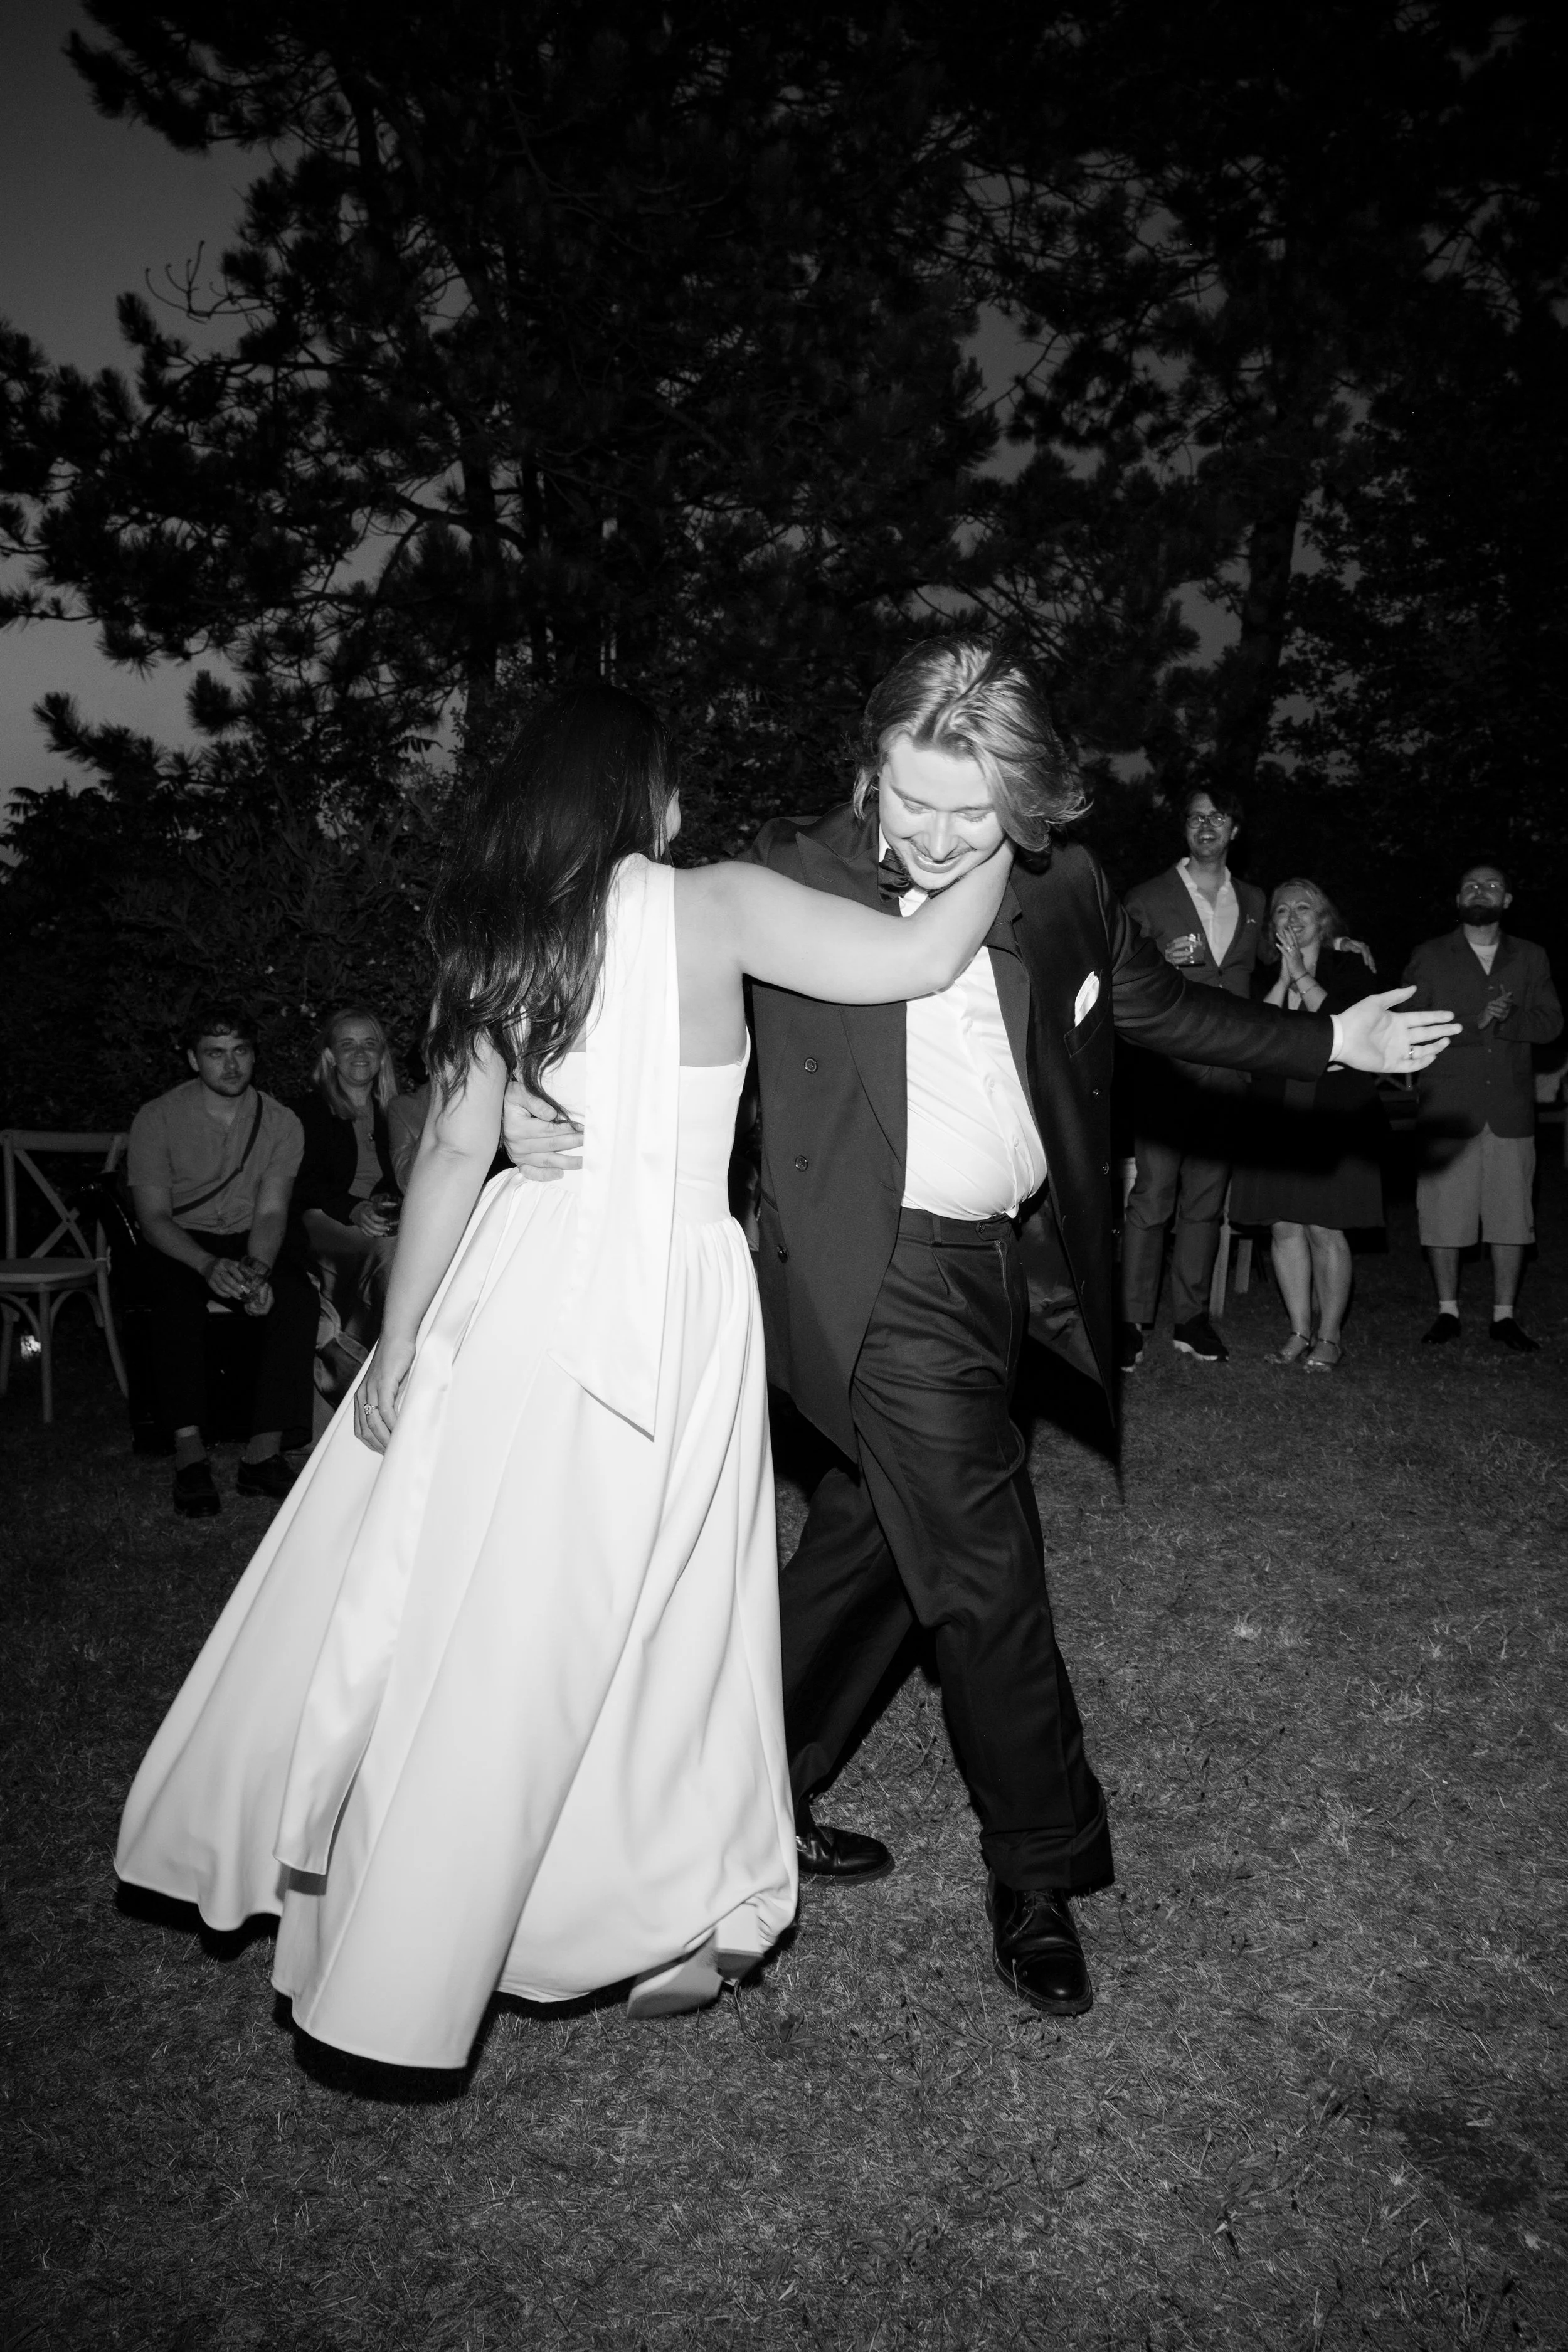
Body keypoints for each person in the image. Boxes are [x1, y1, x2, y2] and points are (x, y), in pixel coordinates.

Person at [505, 635, 1458, 2020]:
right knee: (985, 1570)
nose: (947, 838)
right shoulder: (779, 877)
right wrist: (522, 1091)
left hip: (998, 1269)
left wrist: (1329, 1049)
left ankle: (736, 1795)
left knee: (873, 1553)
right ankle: (1038, 1869)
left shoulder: (1060, 883)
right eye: (916, 801)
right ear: (866, 766)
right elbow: (614, 964)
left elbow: (1158, 1011)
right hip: (870, 1275)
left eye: (979, 808)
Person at [114, 684, 1015, 2067]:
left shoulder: (506, 934)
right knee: (649, 1613)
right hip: (665, 1294)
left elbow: (450, 1160)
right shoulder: (715, 903)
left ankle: (455, 1913)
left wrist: (401, 1345)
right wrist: (1000, 814)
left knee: (485, 1609)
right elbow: (917, 959)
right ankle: (595, 1902)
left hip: (518, 1282)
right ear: (640, 795)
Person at [126, 1008, 316, 1515]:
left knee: (297, 1299)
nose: (231, 1066)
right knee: (174, 1302)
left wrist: (257, 1270)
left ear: (254, 1055)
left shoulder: (280, 1122)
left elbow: (273, 1209)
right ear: (193, 1059)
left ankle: (263, 1454)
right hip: (182, 1240)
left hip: (248, 1236)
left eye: (241, 1051)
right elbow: (154, 1219)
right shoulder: (157, 1118)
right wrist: (208, 1267)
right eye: (215, 1053)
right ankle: (190, 1454)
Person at [1116, 785, 1264, 1367]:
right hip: (1165, 1073)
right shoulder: (1149, 897)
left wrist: (1340, 943)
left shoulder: (1253, 899)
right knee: (1152, 1197)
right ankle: (1129, 1321)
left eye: (1219, 816)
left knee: (1206, 1203)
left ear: (1234, 831)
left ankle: (1192, 1319)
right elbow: (1117, 971)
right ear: (1185, 828)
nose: (1207, 826)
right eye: (1196, 816)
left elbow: (1280, 958)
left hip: (1229, 1074)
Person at [1227, 880, 1387, 1370]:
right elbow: (1258, 1041)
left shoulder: (1351, 967)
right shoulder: (1258, 979)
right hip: (1276, 1117)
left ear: (1324, 921)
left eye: (1304, 908)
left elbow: (1345, 1028)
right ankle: (1298, 1330)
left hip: (1333, 1117)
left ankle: (1330, 1336)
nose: (1292, 917)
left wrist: (1303, 975)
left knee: (1325, 1228)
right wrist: (1283, 978)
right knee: (1284, 1227)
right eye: (1282, 910)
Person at [1402, 865, 1562, 1351]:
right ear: (1457, 898)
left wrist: (1511, 1017)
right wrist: (1476, 1023)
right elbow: (1409, 1023)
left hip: (1510, 1108)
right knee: (1443, 1215)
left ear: (1508, 900)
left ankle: (1504, 1315)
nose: (1481, 891)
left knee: (1512, 1217)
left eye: (1492, 885)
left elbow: (1552, 1023)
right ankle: (1447, 1312)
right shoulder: (1430, 956)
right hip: (1449, 1105)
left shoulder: (1531, 957)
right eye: (1472, 885)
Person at [289, 1007, 403, 1371]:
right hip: (323, 1221)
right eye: (348, 1044)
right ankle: (371, 1365)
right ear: (330, 1056)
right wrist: (353, 1208)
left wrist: (386, 1201)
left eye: (370, 1044)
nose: (360, 1053)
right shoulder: (306, 1113)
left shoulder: (397, 1111)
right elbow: (299, 1184)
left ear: (382, 1056)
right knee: (392, 1251)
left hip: (379, 1220)